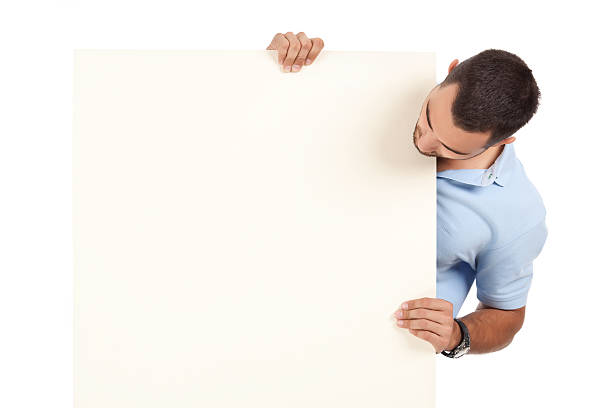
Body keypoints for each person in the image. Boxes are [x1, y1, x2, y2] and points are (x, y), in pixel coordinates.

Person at [266, 32, 548, 357]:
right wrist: (279, 64)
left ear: (503, 142)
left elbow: (506, 315)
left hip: (372, 354)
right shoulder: (380, 83)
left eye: (449, 147)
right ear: (449, 71)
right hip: (281, 296)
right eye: (428, 117)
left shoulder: (518, 214)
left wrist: (458, 335)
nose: (425, 144)